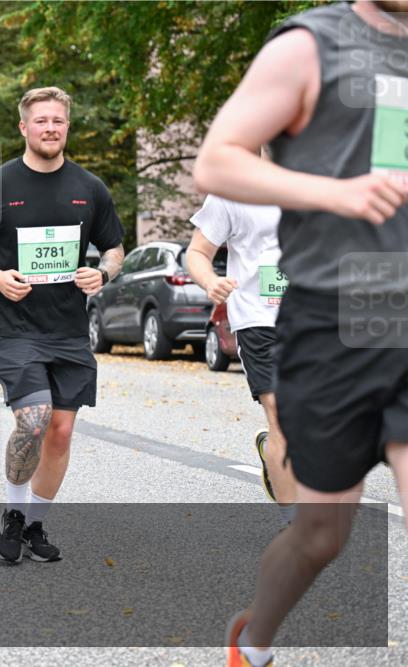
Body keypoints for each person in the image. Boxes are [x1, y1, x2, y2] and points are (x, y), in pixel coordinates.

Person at [191, 2, 408, 666]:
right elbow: (217, 161)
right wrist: (335, 194)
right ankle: (253, 640)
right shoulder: (312, 42)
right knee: (322, 530)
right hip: (331, 318)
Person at [0, 87, 126, 563]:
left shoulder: (90, 188)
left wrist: (103, 271)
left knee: (62, 432)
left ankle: (34, 524)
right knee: (34, 419)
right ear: (24, 128)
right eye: (41, 120)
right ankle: (12, 511)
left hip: (69, 330)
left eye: (58, 120)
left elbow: (114, 247)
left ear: (67, 126)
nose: (51, 127)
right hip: (16, 328)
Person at [186, 184, 298, 523]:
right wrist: (209, 282)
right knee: (283, 418)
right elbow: (197, 252)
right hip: (258, 320)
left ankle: (276, 456)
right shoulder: (232, 192)